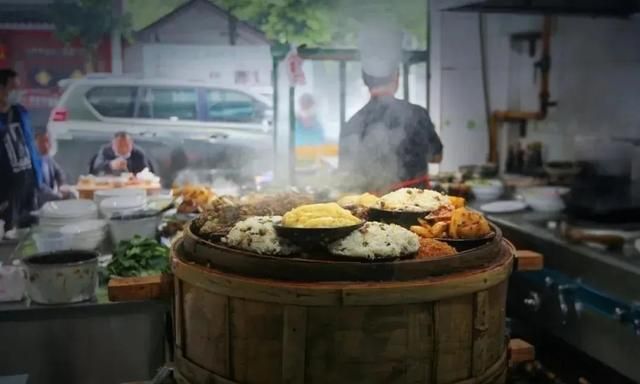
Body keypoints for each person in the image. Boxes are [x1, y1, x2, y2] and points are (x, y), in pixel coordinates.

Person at [339, 23, 443, 193]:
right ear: (396, 77)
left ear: (365, 81)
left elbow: (346, 172)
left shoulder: (352, 123)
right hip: (418, 205)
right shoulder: (417, 114)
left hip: (372, 208)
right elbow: (436, 157)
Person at [0, 68, 43, 230]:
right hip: (6, 189)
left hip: (27, 183)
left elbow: (30, 146)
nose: (18, 92)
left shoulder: (21, 112)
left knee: (31, 228)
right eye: (13, 88)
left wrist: (37, 179)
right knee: (8, 231)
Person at [90, 131, 155, 175]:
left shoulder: (138, 153)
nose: (124, 149)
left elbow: (146, 172)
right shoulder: (105, 151)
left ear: (132, 144)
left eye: (127, 145)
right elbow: (95, 168)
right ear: (113, 145)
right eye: (120, 146)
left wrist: (128, 167)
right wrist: (111, 165)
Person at [35, 130, 71, 204]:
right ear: (35, 143)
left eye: (47, 141)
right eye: (42, 142)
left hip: (50, 202)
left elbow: (59, 172)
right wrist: (57, 196)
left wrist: (62, 184)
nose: (46, 145)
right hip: (38, 204)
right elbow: (39, 185)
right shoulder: (33, 161)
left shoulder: (48, 158)